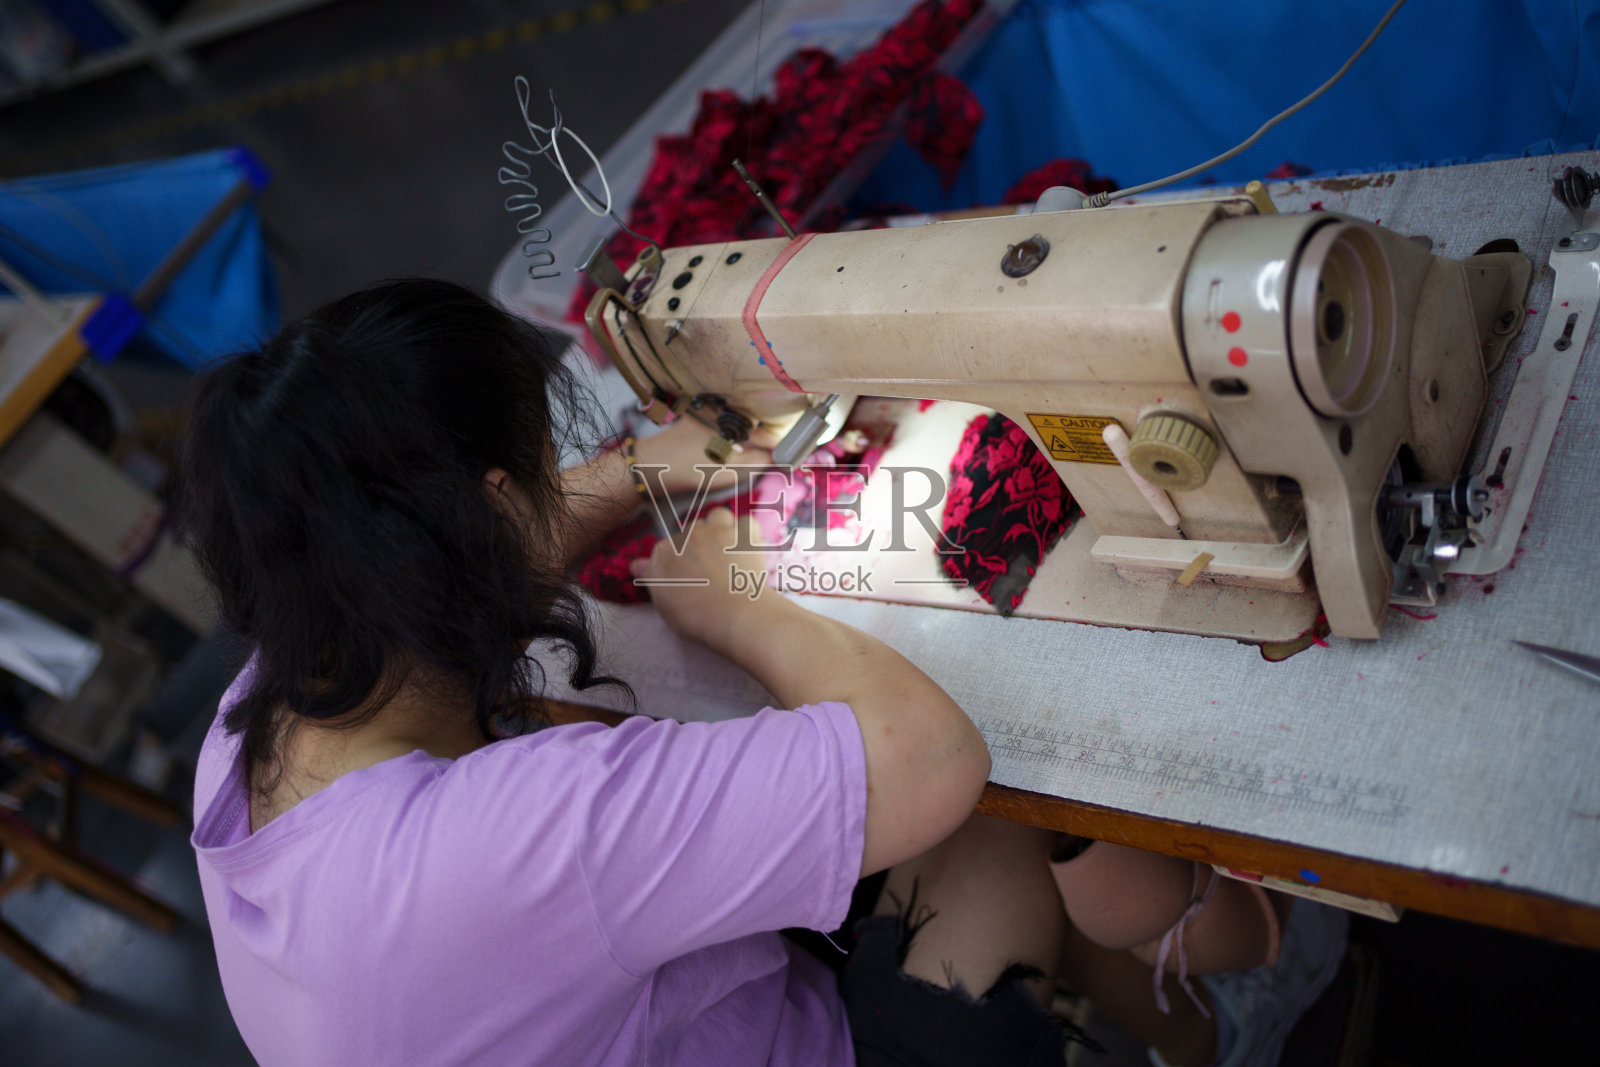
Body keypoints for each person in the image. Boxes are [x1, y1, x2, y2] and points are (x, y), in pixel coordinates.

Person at [182, 278, 1344, 1067]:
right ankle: (1220, 1022)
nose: (556, 481)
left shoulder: (273, 707)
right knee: (992, 824)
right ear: (488, 508)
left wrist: (651, 466)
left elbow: (473, 544)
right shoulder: (511, 838)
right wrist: (731, 600)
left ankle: (1172, 1004)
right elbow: (929, 760)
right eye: (544, 467)